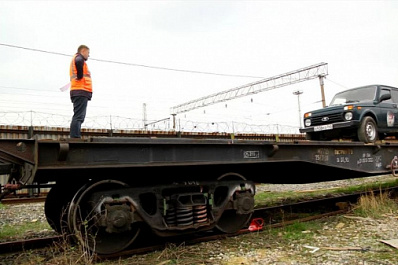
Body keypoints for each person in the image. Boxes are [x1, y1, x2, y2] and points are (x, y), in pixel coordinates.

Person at [69, 45, 92, 138]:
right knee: (79, 116)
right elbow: (79, 61)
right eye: (88, 53)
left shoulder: (77, 58)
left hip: (78, 91)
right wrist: (80, 75)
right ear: (83, 51)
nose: (88, 55)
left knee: (78, 115)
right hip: (80, 90)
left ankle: (75, 135)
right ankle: (75, 136)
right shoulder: (79, 58)